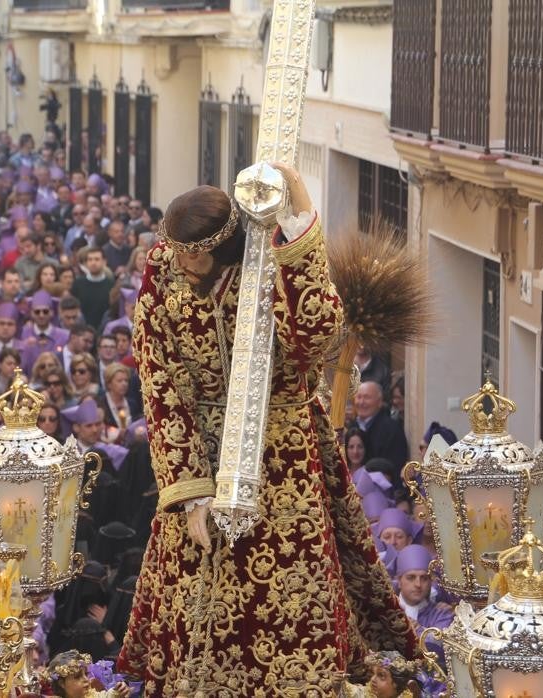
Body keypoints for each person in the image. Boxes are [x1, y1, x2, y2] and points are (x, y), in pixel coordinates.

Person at [116, 167, 416, 694]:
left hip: (283, 447)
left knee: (297, 588)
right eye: (179, 253)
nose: (184, 265)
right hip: (201, 452)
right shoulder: (164, 268)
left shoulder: (268, 261)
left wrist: (300, 227)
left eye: (196, 256)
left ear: (223, 247)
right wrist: (190, 491)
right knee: (190, 590)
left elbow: (317, 337)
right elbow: (160, 381)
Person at [355, 380, 410, 482]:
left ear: (379, 402)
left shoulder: (392, 430)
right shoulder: (351, 427)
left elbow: (395, 469)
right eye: (358, 397)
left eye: (367, 397)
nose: (361, 402)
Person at [71, 248, 113, 328]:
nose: (93, 263)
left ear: (104, 262)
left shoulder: (111, 285)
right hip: (81, 329)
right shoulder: (78, 284)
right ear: (86, 263)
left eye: (97, 259)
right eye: (90, 260)